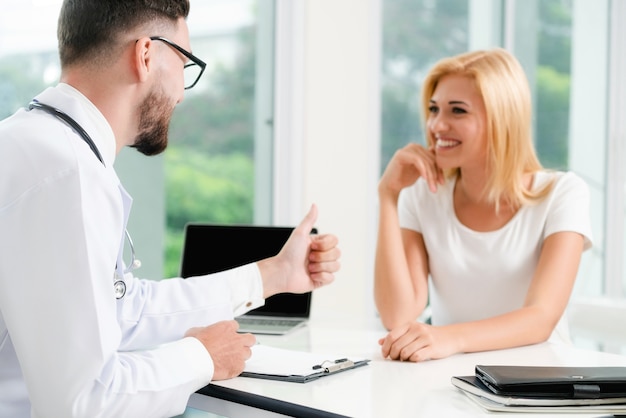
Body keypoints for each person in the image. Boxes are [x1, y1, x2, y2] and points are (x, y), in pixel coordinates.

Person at [0, 1, 340, 417]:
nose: (182, 92)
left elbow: (123, 308)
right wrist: (201, 357)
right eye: (185, 62)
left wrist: (272, 275)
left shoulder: (35, 145)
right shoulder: (65, 173)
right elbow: (84, 402)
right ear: (146, 55)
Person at [374, 48, 592, 363]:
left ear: (502, 118)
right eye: (434, 109)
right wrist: (388, 195)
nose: (437, 125)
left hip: (540, 386)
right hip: (453, 382)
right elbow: (398, 315)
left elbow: (541, 317)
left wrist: (446, 336)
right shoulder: (423, 195)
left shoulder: (562, 194)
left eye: (457, 111)